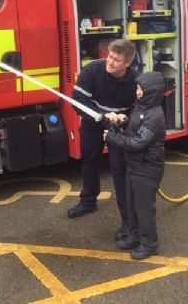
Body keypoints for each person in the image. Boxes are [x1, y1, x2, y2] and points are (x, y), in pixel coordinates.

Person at [68, 39, 137, 241]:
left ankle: (127, 221)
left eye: (116, 59)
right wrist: (100, 115)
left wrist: (123, 121)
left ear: (127, 64)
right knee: (89, 160)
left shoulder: (134, 80)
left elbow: (139, 109)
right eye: (109, 56)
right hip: (93, 121)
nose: (110, 61)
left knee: (119, 170)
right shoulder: (92, 70)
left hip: (118, 126)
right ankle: (88, 201)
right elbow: (77, 101)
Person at [104, 72, 166, 260]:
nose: (137, 92)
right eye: (137, 88)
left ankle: (149, 244)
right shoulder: (141, 107)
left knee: (143, 208)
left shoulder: (154, 116)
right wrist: (122, 123)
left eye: (141, 89)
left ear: (151, 92)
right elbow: (133, 130)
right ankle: (133, 236)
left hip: (147, 169)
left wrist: (112, 137)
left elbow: (138, 143)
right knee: (131, 204)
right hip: (135, 165)